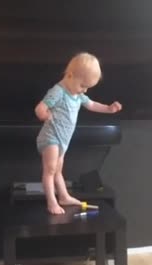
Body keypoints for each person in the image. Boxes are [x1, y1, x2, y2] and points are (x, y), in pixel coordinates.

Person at [35, 52, 122, 214]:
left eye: (88, 87)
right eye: (83, 85)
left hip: (63, 140)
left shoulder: (77, 94)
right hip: (51, 137)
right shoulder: (58, 92)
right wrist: (45, 115)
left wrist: (109, 109)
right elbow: (40, 109)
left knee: (58, 171)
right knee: (50, 170)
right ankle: (51, 202)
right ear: (70, 75)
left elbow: (92, 105)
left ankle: (63, 196)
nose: (85, 90)